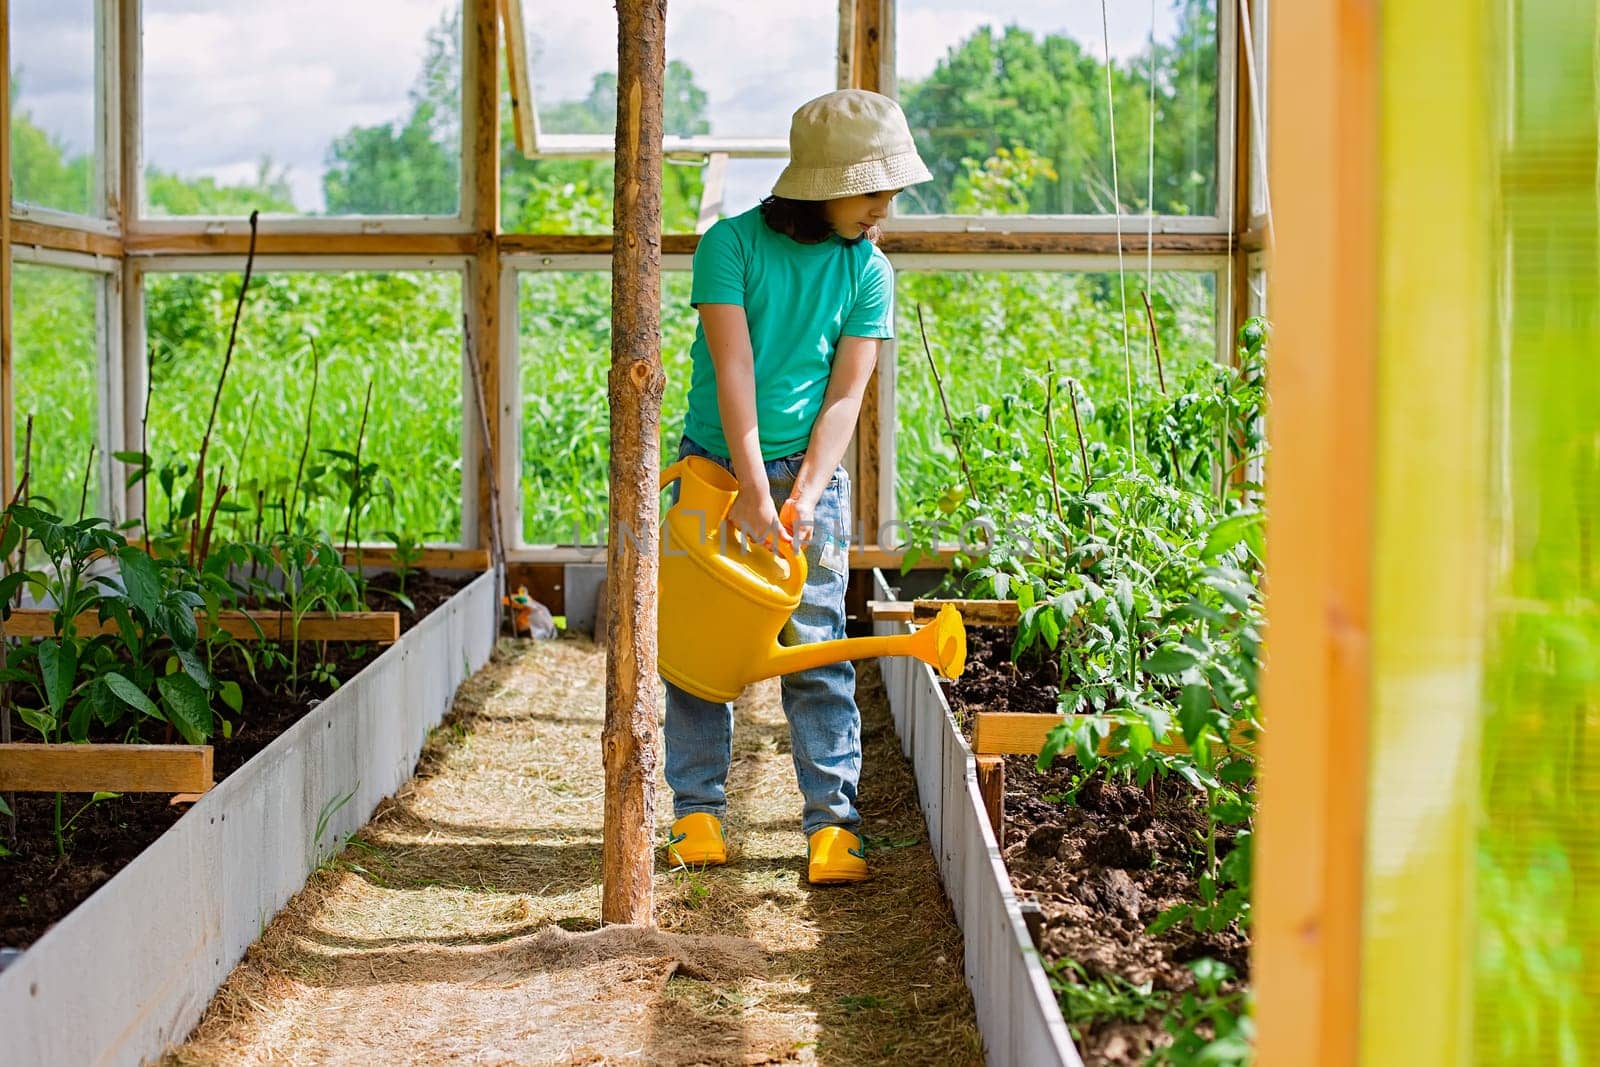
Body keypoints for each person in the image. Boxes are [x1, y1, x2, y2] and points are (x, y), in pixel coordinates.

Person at [661, 89, 932, 884]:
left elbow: (846, 394)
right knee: (699, 651)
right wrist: (749, 484)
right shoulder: (729, 247)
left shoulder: (868, 270)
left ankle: (833, 824)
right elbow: (733, 367)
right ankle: (698, 811)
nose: (885, 206)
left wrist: (804, 494)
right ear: (821, 181)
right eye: (874, 188)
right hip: (715, 469)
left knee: (816, 648)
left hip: (811, 481)